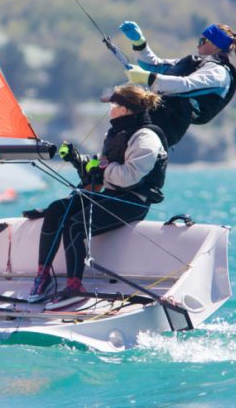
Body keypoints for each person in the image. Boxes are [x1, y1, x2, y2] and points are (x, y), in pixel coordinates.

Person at [21, 85, 168, 307]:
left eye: (113, 105)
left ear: (125, 110)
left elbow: (128, 177)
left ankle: (74, 285)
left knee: (75, 226)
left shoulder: (146, 138)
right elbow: (98, 173)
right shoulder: (115, 132)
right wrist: (76, 159)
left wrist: (101, 168)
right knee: (55, 210)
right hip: (110, 195)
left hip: (132, 202)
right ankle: (42, 276)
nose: (109, 110)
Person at [119, 21, 236, 147]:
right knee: (114, 148)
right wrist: (139, 43)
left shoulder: (219, 72)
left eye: (202, 41)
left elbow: (187, 85)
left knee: (126, 154)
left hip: (167, 126)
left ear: (215, 45)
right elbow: (153, 65)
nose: (197, 45)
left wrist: (149, 79)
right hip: (153, 118)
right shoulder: (194, 63)